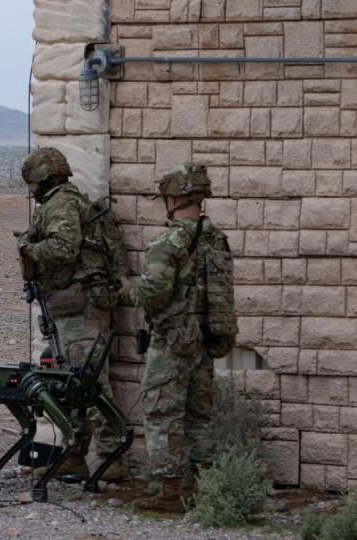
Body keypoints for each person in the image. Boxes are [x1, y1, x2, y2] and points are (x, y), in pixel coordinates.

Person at [16, 147, 128, 480]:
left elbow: (63, 249)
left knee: (91, 384)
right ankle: (75, 455)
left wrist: (29, 249)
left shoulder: (61, 204)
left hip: (81, 307)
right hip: (71, 304)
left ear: (41, 179)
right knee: (74, 384)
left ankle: (113, 458)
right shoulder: (66, 202)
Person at [134, 162, 235, 513]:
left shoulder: (169, 240)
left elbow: (156, 291)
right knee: (199, 417)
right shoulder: (216, 238)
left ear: (174, 198)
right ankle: (204, 490)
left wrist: (129, 290)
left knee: (162, 413)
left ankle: (168, 492)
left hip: (173, 341)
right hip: (204, 341)